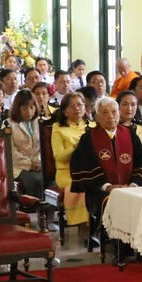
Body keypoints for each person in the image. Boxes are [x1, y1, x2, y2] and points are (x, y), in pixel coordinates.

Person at [69, 97, 135, 236]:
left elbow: (141, 165)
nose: (110, 116)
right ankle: (116, 243)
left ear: (119, 114)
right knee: (113, 201)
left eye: (113, 112)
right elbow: (85, 167)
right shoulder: (88, 139)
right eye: (104, 113)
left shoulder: (130, 135)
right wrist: (108, 186)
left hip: (131, 188)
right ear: (97, 116)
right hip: (100, 191)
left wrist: (133, 185)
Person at [48, 92, 92, 238]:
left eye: (80, 105)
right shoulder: (58, 128)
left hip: (92, 170)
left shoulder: (92, 126)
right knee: (82, 186)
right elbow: (59, 156)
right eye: (72, 106)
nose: (77, 108)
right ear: (65, 111)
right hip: (67, 172)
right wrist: (76, 147)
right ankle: (84, 227)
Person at [6, 91, 45, 201]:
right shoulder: (8, 124)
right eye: (24, 108)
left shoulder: (40, 122)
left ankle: (49, 209)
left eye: (32, 107)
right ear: (17, 108)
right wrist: (29, 164)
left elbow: (44, 146)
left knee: (48, 177)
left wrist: (38, 161)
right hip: (19, 166)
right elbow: (10, 151)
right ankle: (33, 208)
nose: (29, 111)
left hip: (39, 164)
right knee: (34, 179)